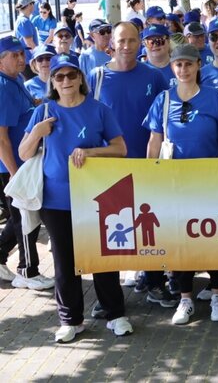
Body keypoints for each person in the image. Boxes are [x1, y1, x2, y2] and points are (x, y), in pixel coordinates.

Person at [20, 54, 131, 342]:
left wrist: (90, 152)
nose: (66, 81)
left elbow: (120, 148)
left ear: (80, 78)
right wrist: (37, 133)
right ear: (52, 82)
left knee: (102, 258)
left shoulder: (99, 109)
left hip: (94, 197)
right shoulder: (43, 112)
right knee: (64, 262)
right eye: (59, 76)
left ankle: (115, 314)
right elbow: (23, 153)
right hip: (55, 201)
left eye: (71, 75)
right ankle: (71, 319)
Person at [146, 44, 218, 325]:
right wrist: (149, 176)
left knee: (214, 236)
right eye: (178, 65)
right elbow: (154, 141)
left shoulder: (213, 97)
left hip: (211, 181)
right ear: (172, 67)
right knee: (181, 239)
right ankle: (185, 298)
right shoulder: (163, 99)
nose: (183, 69)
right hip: (176, 183)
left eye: (188, 64)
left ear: (199, 65)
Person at [87, 21, 169, 302]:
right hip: (109, 166)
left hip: (146, 161)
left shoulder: (153, 76)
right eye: (121, 40)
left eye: (132, 40)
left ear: (140, 43)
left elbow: (164, 118)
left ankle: (155, 281)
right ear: (112, 43)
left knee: (150, 229)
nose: (126, 46)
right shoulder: (96, 77)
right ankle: (107, 297)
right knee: (109, 229)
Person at [0, 37, 52, 291]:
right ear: (1, 61)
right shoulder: (3, 87)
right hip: (12, 166)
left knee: (18, 216)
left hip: (23, 162)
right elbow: (1, 138)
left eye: (21, 53)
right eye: (14, 55)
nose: (21, 59)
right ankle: (27, 271)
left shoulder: (16, 79)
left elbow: (25, 110)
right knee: (24, 218)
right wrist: (14, 172)